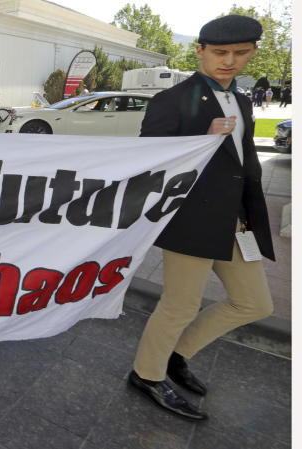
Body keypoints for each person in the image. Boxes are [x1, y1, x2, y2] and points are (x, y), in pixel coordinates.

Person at [128, 15, 273, 422]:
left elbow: (245, 162)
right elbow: (148, 162)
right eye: (220, 53)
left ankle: (176, 355)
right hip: (190, 219)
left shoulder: (243, 100)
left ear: (253, 53)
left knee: (255, 303)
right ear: (200, 51)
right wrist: (199, 142)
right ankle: (147, 374)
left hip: (237, 220)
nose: (230, 61)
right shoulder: (171, 100)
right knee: (180, 305)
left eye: (240, 53)